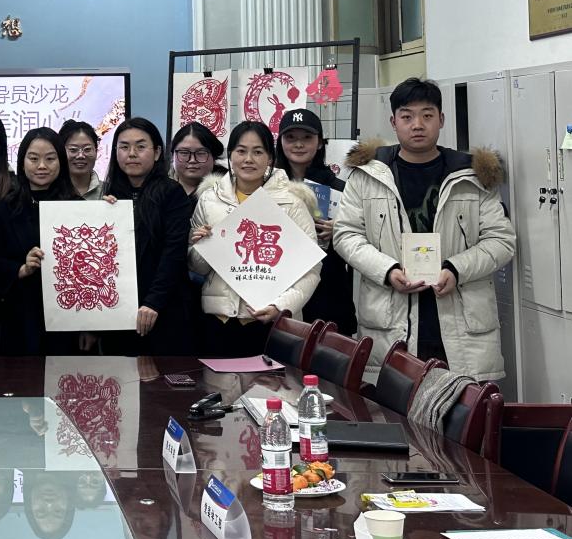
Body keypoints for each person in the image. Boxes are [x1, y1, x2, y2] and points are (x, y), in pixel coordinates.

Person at [334, 78, 516, 378]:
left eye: (427, 115)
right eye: (407, 116)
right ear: (393, 122)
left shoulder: (471, 176)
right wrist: (387, 270)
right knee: (395, 404)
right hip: (392, 323)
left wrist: (456, 269)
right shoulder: (367, 176)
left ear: (441, 120)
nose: (417, 125)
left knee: (463, 406)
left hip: (460, 325)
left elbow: (501, 240)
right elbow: (346, 235)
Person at [189, 121, 321, 357]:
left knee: (269, 381)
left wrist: (281, 306)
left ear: (270, 158)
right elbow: (198, 268)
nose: (248, 159)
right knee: (217, 381)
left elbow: (310, 267)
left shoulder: (291, 203)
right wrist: (201, 246)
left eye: (258, 152)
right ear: (230, 155)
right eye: (241, 151)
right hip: (219, 320)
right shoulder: (209, 200)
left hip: (271, 323)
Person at [100, 118, 196, 356]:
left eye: (140, 146)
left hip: (163, 308)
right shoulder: (109, 196)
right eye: (124, 147)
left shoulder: (171, 192)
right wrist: (100, 215)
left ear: (157, 153)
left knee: (162, 376)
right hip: (118, 311)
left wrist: (153, 301)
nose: (131, 153)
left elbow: (173, 253)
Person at [0, 127, 79, 355]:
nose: (42, 166)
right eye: (34, 158)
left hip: (69, 319)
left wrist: (107, 211)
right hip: (21, 316)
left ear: (61, 161)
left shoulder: (78, 207)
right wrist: (21, 269)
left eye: (50, 159)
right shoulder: (6, 207)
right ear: (22, 162)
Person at [275, 108, 358, 336]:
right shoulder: (268, 186)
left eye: (307, 138)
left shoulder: (340, 188)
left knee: (331, 354)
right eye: (290, 137)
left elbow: (362, 232)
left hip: (329, 290)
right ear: (280, 142)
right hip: (280, 287)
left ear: (320, 143)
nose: (298, 144)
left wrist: (339, 229)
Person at [169, 122, 226, 200]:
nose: (192, 160)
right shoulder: (159, 190)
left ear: (214, 158)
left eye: (201, 153)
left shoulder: (228, 191)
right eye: (184, 153)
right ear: (173, 156)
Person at [59, 119, 103, 200]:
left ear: (96, 151)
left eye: (87, 149)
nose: (80, 156)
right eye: (73, 150)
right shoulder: (51, 192)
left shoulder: (108, 191)